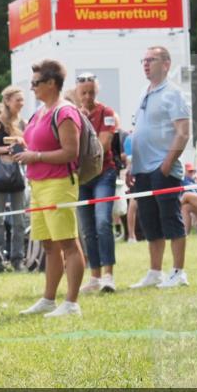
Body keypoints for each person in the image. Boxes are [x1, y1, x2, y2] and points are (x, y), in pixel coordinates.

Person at [13, 60, 85, 317]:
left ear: (51, 83)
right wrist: (22, 148)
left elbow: (70, 152)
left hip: (59, 184)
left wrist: (36, 156)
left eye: (36, 83)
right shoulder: (40, 112)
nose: (31, 88)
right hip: (39, 184)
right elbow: (36, 144)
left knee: (68, 243)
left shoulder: (65, 112)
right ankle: (48, 299)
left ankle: (72, 302)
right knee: (48, 245)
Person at [128, 46, 192, 289]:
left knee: (170, 218)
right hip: (143, 169)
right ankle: (155, 272)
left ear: (166, 64)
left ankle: (178, 272)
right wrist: (134, 164)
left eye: (151, 60)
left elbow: (183, 133)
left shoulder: (173, 93)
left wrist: (166, 164)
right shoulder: (145, 92)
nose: (146, 64)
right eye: (143, 60)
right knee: (149, 222)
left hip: (162, 169)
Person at [74, 73, 119, 293]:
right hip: (82, 177)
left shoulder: (107, 112)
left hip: (104, 173)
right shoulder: (73, 114)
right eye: (83, 92)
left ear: (96, 91)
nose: (88, 96)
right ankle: (95, 276)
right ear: (77, 93)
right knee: (87, 228)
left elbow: (104, 144)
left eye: (91, 92)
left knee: (102, 222)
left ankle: (109, 275)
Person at [0, 85, 28, 270]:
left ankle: (18, 259)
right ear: (8, 101)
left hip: (17, 171)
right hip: (0, 171)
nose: (21, 104)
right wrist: (4, 149)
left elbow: (26, 146)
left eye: (22, 100)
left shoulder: (22, 123)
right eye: (18, 100)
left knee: (19, 219)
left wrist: (20, 147)